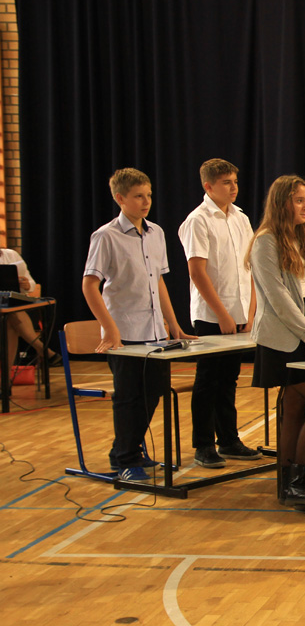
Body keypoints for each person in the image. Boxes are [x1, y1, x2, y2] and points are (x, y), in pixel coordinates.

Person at [81, 168, 195, 479]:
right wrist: (110, 328)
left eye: (149, 195)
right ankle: (126, 459)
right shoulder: (106, 236)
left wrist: (173, 324)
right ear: (120, 198)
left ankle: (126, 450)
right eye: (138, 196)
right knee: (128, 396)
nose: (146, 202)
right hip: (125, 331)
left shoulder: (156, 232)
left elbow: (158, 281)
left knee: (154, 391)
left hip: (154, 331)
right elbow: (90, 285)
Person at [246, 175, 305, 505]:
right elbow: (278, 298)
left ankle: (288, 484)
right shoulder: (265, 241)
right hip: (283, 338)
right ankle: (298, 478)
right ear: (282, 202)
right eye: (299, 200)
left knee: (295, 407)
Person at [178, 158, 262, 468]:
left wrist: (250, 311)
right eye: (226, 183)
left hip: (239, 312)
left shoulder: (240, 217)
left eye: (235, 182)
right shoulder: (198, 220)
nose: (233, 187)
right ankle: (203, 444)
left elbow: (249, 266)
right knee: (208, 380)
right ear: (209, 186)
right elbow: (197, 272)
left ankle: (228, 439)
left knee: (229, 379)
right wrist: (222, 313)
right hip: (212, 315)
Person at [0, 248, 60, 369]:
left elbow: (31, 283)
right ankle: (43, 350)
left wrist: (26, 285)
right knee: (11, 319)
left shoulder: (11, 255)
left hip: (15, 308)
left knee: (11, 318)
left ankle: (6, 378)